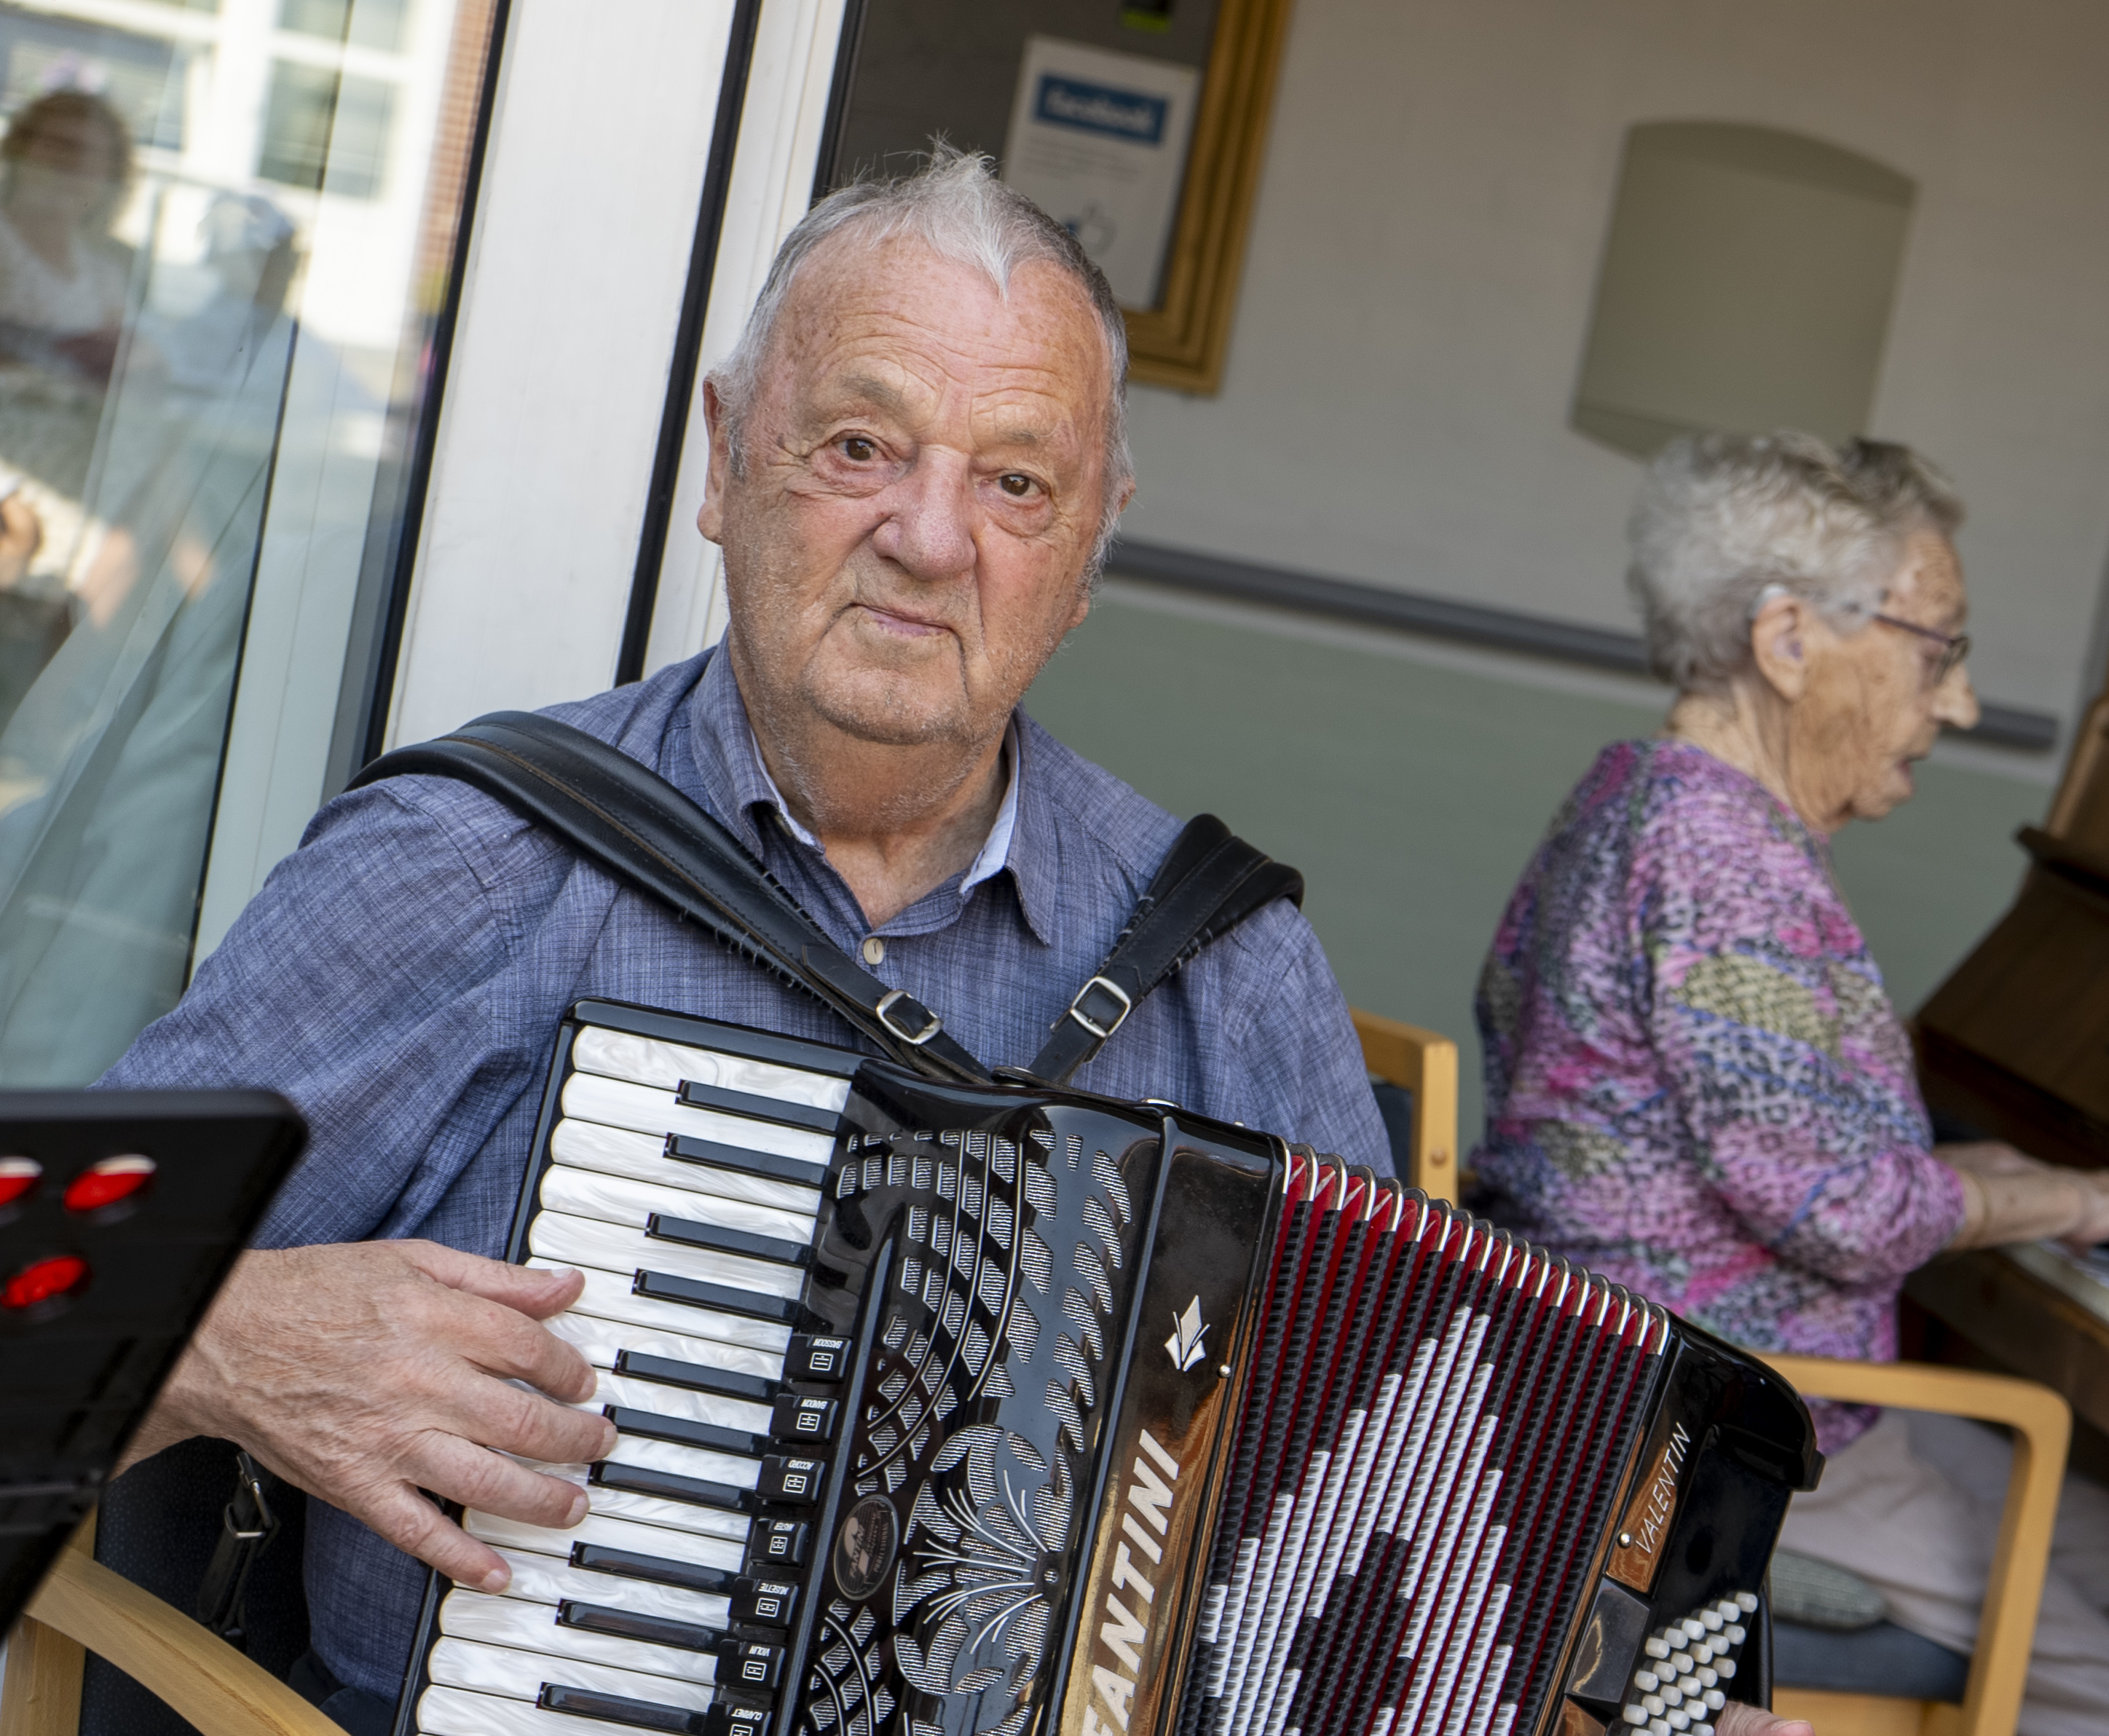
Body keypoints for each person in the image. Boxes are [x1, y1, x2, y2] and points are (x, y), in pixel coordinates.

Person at [93, 154, 1389, 1731]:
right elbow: (39, 1309)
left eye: (1014, 484)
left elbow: (1369, 1513)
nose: (928, 536)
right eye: (860, 446)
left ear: (1088, 547)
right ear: (722, 460)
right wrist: (230, 1339)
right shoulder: (480, 865)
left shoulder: (1222, 970)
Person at [1470, 431, 2109, 1736]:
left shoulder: (1634, 795)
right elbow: (1844, 1209)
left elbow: (1736, 1144)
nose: (1963, 704)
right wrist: (2072, 1194)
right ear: (1790, 640)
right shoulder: (1727, 865)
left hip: (1656, 1361)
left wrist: (2005, 1180)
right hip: (1725, 1422)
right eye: (1942, 650)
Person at [0, 88, 132, 380]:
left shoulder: (104, 275)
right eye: (58, 147)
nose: (70, 166)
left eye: (89, 157)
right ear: (20, 152)